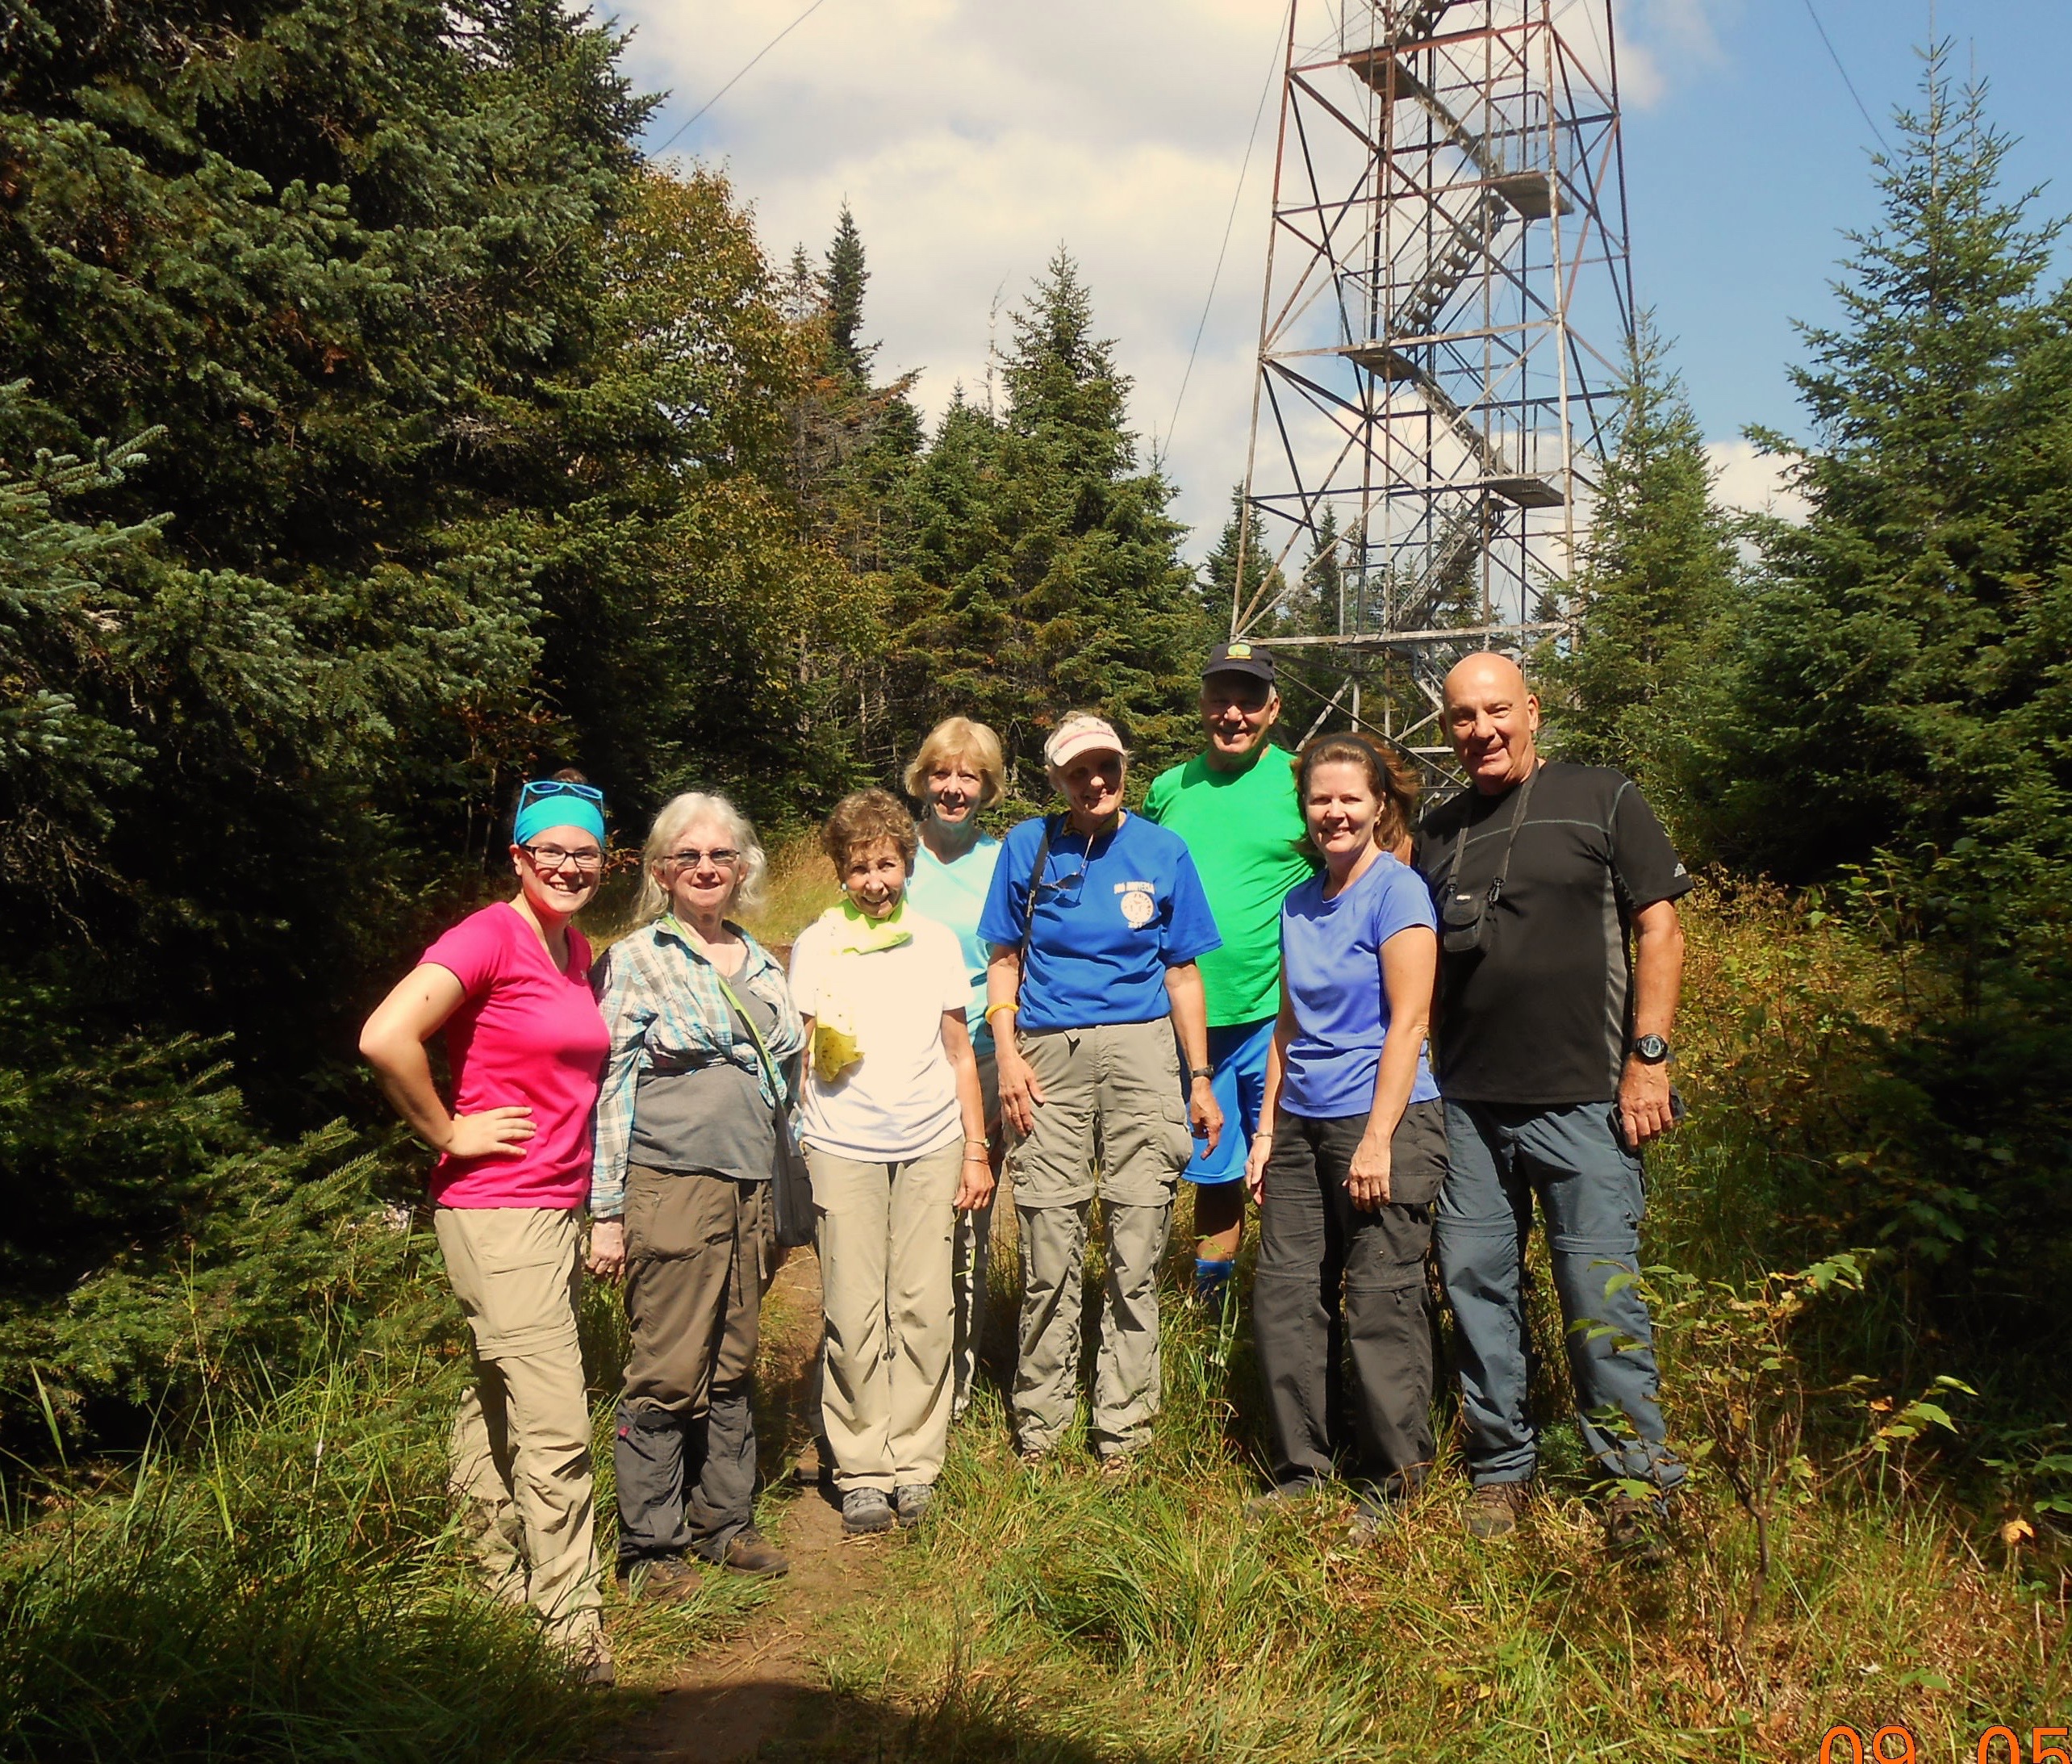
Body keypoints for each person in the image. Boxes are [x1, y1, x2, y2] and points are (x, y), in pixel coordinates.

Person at [1412, 653, 1690, 1559]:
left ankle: (1635, 1483)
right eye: (1462, 716)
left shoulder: (1603, 796)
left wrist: (1647, 1058)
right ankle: (1501, 1467)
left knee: (1599, 1291)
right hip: (1467, 1105)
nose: (1481, 729)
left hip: (1585, 1103)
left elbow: (1660, 923)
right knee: (1477, 1286)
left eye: (1497, 710)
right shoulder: (1439, 828)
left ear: (1532, 710)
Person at [357, 772, 615, 1686]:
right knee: (556, 1421)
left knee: (497, 1400)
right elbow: (386, 1034)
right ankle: (569, 1628)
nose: (570, 866)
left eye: (585, 852)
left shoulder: (573, 947)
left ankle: (493, 1578)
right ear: (518, 855)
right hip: (498, 1206)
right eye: (551, 850)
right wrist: (446, 1127)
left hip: (548, 1205)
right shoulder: (490, 934)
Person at [978, 712, 1224, 1469]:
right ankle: (1041, 1429)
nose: (1094, 782)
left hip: (1144, 1053)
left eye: (1106, 767)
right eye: (1077, 771)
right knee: (1049, 1241)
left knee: (1137, 1241)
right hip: (1047, 1056)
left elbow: (1183, 972)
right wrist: (1008, 1054)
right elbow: (1004, 959)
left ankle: (1125, 1430)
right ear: (1055, 778)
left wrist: (1200, 1077)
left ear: (1124, 768)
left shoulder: (1162, 849)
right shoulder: (1029, 845)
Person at [587, 792, 803, 1593]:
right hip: (669, 1186)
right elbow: (609, 1087)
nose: (706, 868)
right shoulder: (637, 957)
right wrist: (606, 1212)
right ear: (660, 871)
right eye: (689, 856)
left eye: (721, 855)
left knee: (732, 1359)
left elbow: (784, 1079)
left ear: (742, 867)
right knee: (667, 1365)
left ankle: (725, 1521)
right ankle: (650, 1545)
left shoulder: (758, 956)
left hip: (751, 1187)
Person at [1244, 735, 1443, 1534]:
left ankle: (1393, 1480)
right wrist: (1265, 1130)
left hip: (1382, 1116)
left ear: (1379, 804)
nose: (1333, 812)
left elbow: (1410, 1022)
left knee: (1381, 1299)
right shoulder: (1300, 900)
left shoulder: (1398, 893)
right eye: (1320, 799)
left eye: (1348, 798)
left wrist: (1378, 1139)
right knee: (1287, 1294)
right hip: (1299, 1118)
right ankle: (1302, 1468)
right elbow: (1287, 1023)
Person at [788, 789, 994, 1535]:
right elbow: (803, 1055)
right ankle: (863, 1467)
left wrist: (975, 1147)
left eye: (887, 864)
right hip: (843, 1143)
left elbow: (958, 1050)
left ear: (907, 863)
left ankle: (916, 1462)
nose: (876, 880)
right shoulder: (816, 943)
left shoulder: (936, 941)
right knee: (851, 1308)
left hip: (931, 1143)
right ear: (840, 872)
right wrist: (802, 1137)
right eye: (860, 867)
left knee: (926, 1307)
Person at [1143, 642, 1318, 1315]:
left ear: (1274, 708)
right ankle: (1212, 1316)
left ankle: (1285, 1310)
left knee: (1289, 1168)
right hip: (1190, 1030)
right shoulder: (1169, 789)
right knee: (1212, 1174)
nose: (1234, 714)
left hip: (1279, 1021)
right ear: (1203, 704)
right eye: (1221, 698)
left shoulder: (1302, 780)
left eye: (1249, 700)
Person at [900, 718, 1008, 1418]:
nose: (954, 788)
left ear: (988, 787)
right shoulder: (892, 856)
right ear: (923, 779)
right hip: (897, 1062)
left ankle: (954, 1385)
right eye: (942, 773)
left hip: (982, 1057)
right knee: (903, 1221)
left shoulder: (1005, 860)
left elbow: (1013, 964)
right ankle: (899, 1369)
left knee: (969, 1220)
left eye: (969, 776)